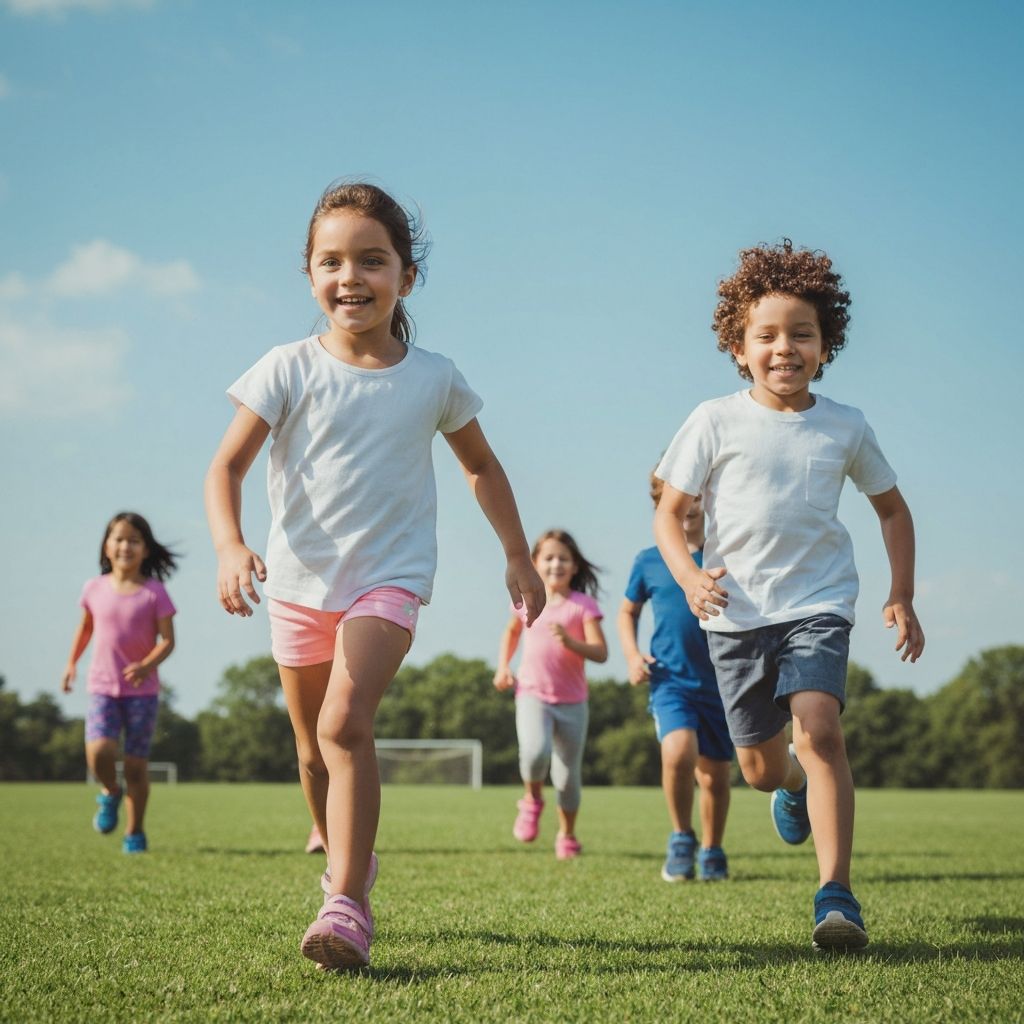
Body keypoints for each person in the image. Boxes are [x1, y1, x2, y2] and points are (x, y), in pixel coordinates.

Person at [205, 181, 544, 971]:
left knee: (345, 725)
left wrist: (518, 553)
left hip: (387, 579)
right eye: (331, 261)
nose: (349, 276)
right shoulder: (285, 368)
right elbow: (226, 466)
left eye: (371, 259)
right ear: (310, 276)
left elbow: (482, 465)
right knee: (313, 752)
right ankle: (343, 856)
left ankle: (347, 905)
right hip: (295, 584)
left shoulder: (434, 378)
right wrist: (229, 544)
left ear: (405, 277)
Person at [653, 240, 924, 952]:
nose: (785, 348)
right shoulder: (713, 419)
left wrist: (902, 593)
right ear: (738, 348)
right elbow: (668, 511)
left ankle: (836, 894)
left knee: (822, 728)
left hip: (818, 606)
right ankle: (792, 783)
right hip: (736, 617)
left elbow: (892, 509)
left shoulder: (845, 425)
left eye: (802, 334)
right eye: (766, 335)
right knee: (758, 767)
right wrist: (687, 573)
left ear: (825, 344)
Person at [619, 479, 733, 882]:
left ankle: (713, 849)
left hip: (722, 684)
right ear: (660, 505)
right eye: (677, 498)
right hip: (670, 680)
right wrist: (633, 655)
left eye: (698, 495)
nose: (689, 504)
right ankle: (682, 837)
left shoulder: (728, 556)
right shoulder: (650, 560)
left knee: (716, 779)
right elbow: (627, 611)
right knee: (679, 753)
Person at [61, 512, 178, 855]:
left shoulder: (154, 592)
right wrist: (71, 664)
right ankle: (110, 791)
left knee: (136, 766)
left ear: (145, 549)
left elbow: (168, 641)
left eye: (134, 540)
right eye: (118, 538)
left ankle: (134, 832)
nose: (125, 545)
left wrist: (146, 665)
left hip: (142, 692)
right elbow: (85, 629)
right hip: (102, 686)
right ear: (106, 546)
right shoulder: (93, 588)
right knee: (98, 751)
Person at [494, 529, 607, 860]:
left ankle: (567, 835)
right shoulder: (527, 600)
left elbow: (601, 653)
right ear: (535, 564)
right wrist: (503, 666)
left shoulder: (583, 606)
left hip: (573, 703)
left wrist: (571, 643)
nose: (556, 563)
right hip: (532, 694)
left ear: (574, 567)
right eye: (549, 557)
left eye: (564, 558)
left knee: (567, 777)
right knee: (534, 753)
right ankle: (531, 800)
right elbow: (512, 632)